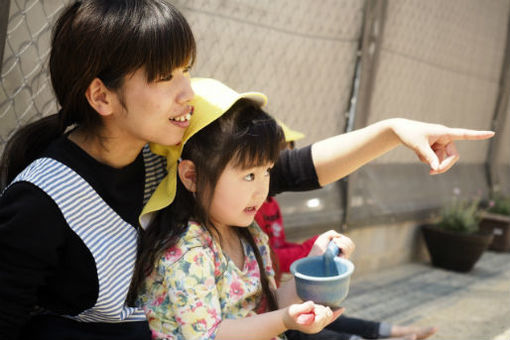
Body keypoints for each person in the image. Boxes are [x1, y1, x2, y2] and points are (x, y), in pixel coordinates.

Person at [0, 1, 494, 339]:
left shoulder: (165, 163)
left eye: (186, 70)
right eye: (164, 77)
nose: (186, 93)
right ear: (101, 96)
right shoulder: (42, 198)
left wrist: (391, 131)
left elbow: (294, 169)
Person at [134, 82, 355, 340]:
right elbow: (211, 335)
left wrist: (316, 264)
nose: (262, 190)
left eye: (267, 171)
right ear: (191, 176)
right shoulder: (187, 251)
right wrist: (284, 320)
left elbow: (269, 305)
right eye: (249, 175)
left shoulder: (249, 234)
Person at [256, 126, 437, 340]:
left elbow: (277, 254)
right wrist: (308, 252)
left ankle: (397, 331)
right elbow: (273, 258)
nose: (289, 155)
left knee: (328, 315)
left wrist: (313, 254)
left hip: (273, 299)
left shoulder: (269, 205)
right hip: (267, 311)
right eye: (285, 150)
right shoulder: (250, 211)